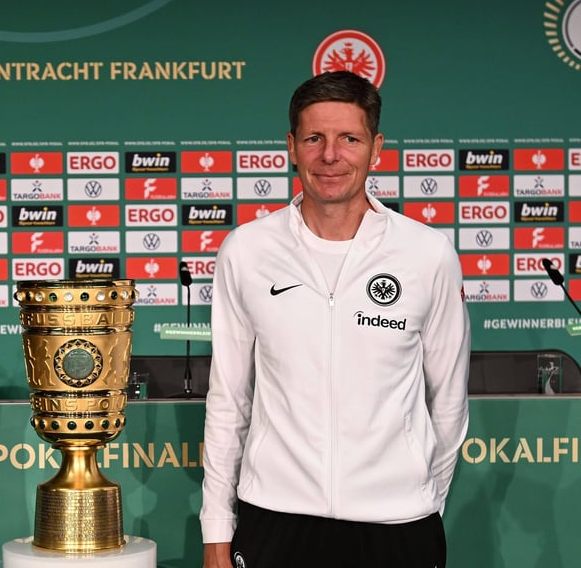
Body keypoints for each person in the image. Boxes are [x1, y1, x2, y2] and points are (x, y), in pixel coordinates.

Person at [200, 71, 470, 568]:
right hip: (275, 517)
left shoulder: (426, 253)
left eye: (349, 138)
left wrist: (420, 498)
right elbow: (228, 399)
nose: (331, 155)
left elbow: (449, 401)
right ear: (291, 147)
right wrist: (216, 526)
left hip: (398, 527)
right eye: (314, 139)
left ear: (376, 148)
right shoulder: (248, 250)